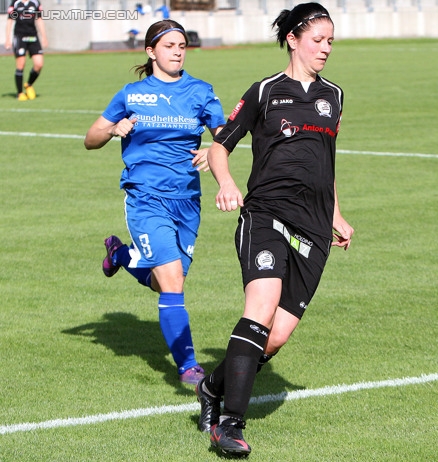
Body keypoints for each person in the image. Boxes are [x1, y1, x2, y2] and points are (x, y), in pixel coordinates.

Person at [195, 2, 354, 455]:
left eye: (330, 41)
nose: (325, 49)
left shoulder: (335, 96)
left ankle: (210, 388)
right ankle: (229, 425)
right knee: (260, 307)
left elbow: (326, 162)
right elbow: (220, 146)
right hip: (265, 213)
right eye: (318, 40)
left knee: (277, 335)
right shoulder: (265, 90)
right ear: (293, 38)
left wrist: (336, 213)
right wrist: (225, 183)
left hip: (315, 226)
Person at [84, 20, 226, 385]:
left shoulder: (200, 91)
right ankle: (189, 367)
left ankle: (119, 255)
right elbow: (90, 138)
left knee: (164, 284)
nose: (178, 51)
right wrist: (113, 129)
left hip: (187, 202)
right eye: (169, 45)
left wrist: (214, 150)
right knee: (173, 281)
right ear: (151, 51)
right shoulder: (132, 94)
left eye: (182, 45)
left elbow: (226, 136)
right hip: (145, 199)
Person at [5, 0, 48, 101]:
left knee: (39, 64)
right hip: (20, 36)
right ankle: (19, 93)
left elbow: (39, 19)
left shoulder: (35, 2)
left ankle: (28, 85)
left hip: (33, 36)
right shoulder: (15, 3)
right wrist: (7, 39)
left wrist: (44, 36)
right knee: (21, 64)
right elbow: (10, 21)